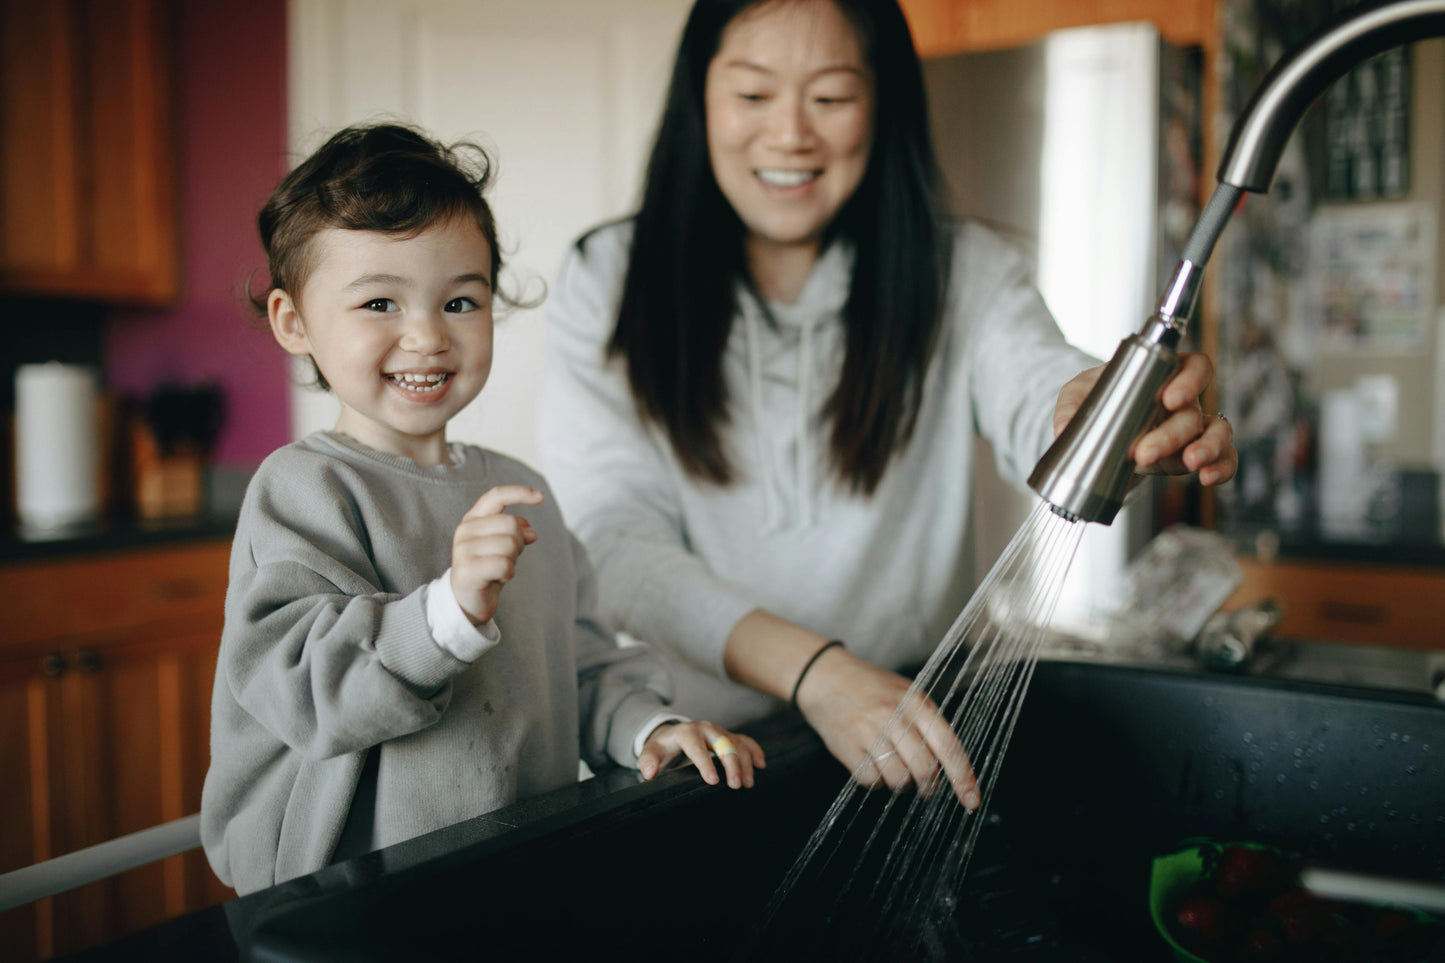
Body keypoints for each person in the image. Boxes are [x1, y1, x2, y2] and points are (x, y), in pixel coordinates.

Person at [538, 0, 1236, 806]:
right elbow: (615, 543)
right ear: (698, 98)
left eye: (830, 97)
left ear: (882, 105)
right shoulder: (608, 279)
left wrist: (1102, 413)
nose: (791, 134)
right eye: (754, 95)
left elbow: (1036, 383)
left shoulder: (961, 270)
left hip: (910, 732)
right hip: (703, 757)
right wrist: (816, 673)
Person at [201, 123, 764, 896]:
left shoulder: (519, 488)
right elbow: (305, 695)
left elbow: (581, 659)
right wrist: (446, 612)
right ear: (294, 323)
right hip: (350, 900)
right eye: (378, 302)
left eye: (460, 300)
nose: (428, 336)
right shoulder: (301, 490)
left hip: (509, 872)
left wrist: (647, 726)